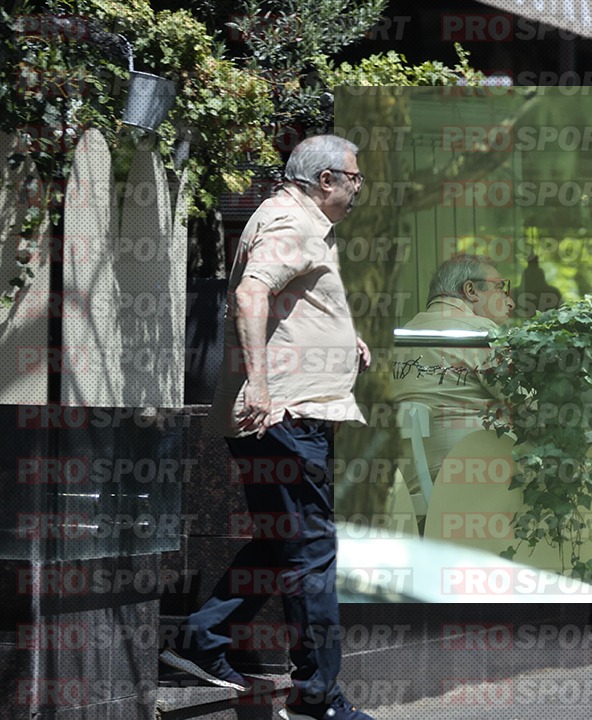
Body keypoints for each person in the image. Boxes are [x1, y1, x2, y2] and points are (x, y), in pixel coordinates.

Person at [160, 134, 377, 720]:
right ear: (326, 180)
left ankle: (202, 639)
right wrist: (259, 381)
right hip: (286, 414)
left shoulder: (292, 220)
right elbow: (251, 294)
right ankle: (317, 697)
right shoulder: (291, 221)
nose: (359, 188)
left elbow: (289, 300)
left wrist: (337, 337)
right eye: (354, 178)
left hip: (283, 410)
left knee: (283, 541)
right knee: (311, 552)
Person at [391, 253, 514, 516]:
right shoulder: (478, 331)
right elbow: (526, 401)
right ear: (470, 290)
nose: (510, 301)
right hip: (478, 478)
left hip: (412, 486)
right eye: (501, 288)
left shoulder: (402, 337)